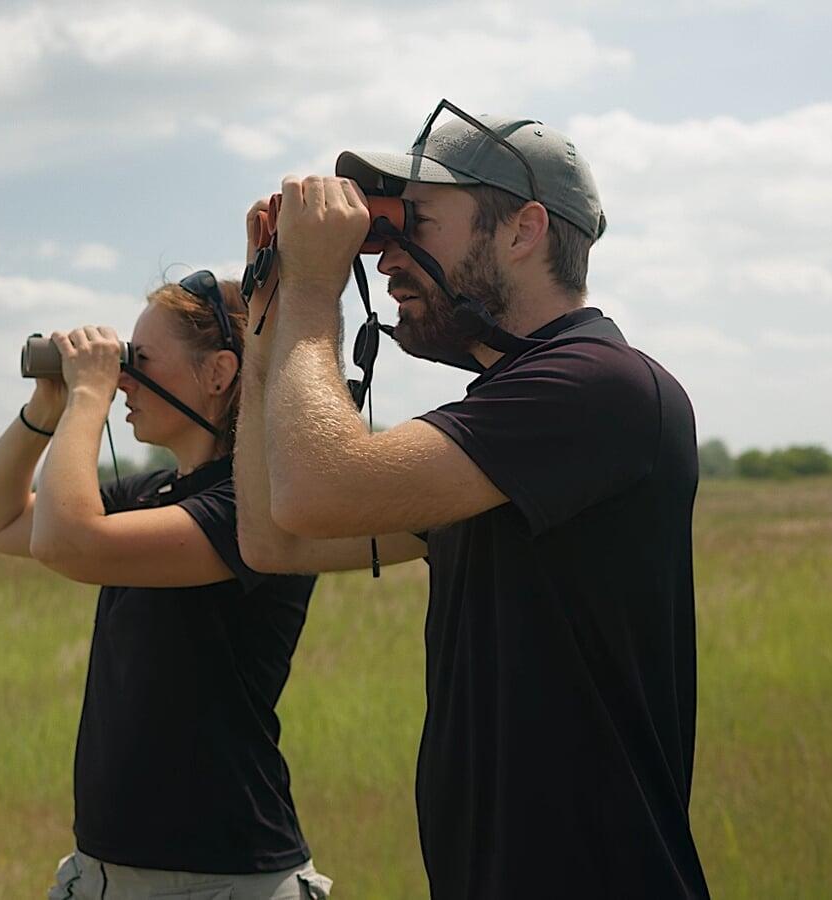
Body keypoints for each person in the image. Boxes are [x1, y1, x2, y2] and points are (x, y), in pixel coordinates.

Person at [235, 103, 710, 898]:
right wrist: (271, 312)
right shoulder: (503, 424)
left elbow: (319, 489)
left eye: (413, 221)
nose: (384, 260)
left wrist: (318, 286)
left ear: (523, 229)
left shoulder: (597, 385)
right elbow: (274, 536)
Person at [0, 273, 333, 899]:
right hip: (103, 870)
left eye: (140, 360)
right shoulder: (150, 494)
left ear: (218, 374)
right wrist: (45, 412)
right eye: (122, 362)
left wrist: (87, 399)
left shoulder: (253, 507)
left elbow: (66, 542)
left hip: (225, 877)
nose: (123, 378)